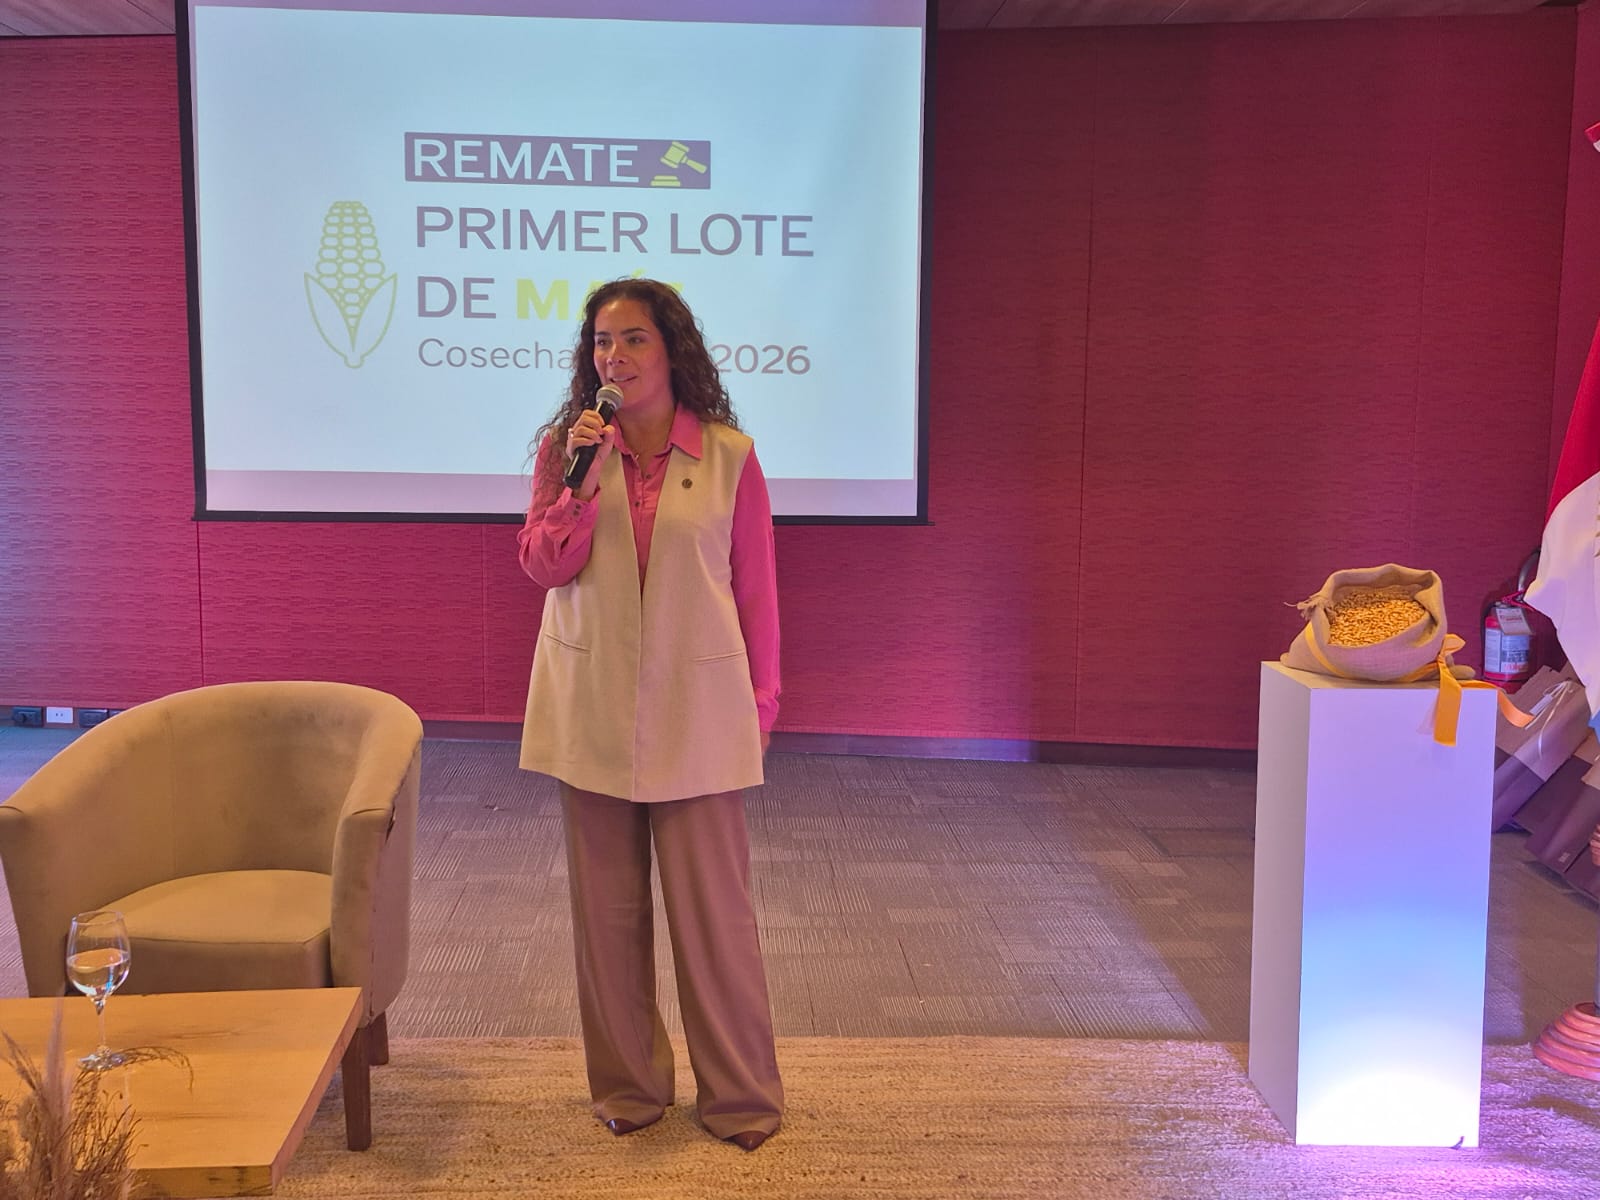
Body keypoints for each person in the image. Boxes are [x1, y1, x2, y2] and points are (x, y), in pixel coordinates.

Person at [516, 278, 783, 1152]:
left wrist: (762, 707)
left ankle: (741, 1097)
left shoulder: (729, 456)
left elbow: (756, 592)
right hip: (591, 704)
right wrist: (579, 484)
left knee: (715, 921)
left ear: (671, 350)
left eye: (634, 339)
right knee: (606, 916)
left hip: (698, 709)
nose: (615, 356)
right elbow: (544, 567)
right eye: (602, 341)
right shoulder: (568, 450)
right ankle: (629, 1088)